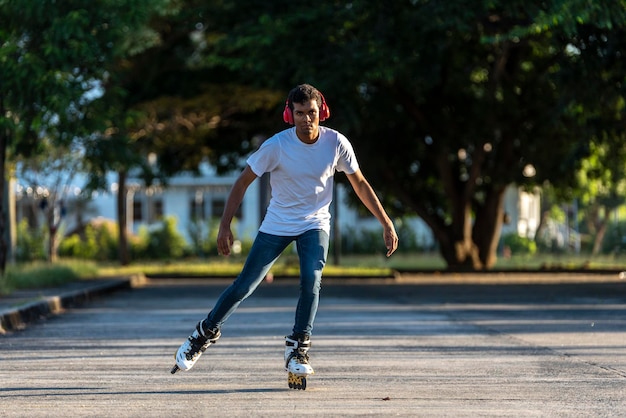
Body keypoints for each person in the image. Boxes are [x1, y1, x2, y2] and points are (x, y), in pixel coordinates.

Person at [171, 84, 398, 387]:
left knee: (311, 280)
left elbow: (359, 183)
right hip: (277, 224)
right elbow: (241, 183)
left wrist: (385, 222)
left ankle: (298, 350)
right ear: (290, 114)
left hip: (315, 223)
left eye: (312, 113)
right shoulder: (276, 146)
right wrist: (225, 226)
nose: (307, 120)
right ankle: (202, 334)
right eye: (300, 113)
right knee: (244, 286)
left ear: (322, 112)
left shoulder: (336, 143)